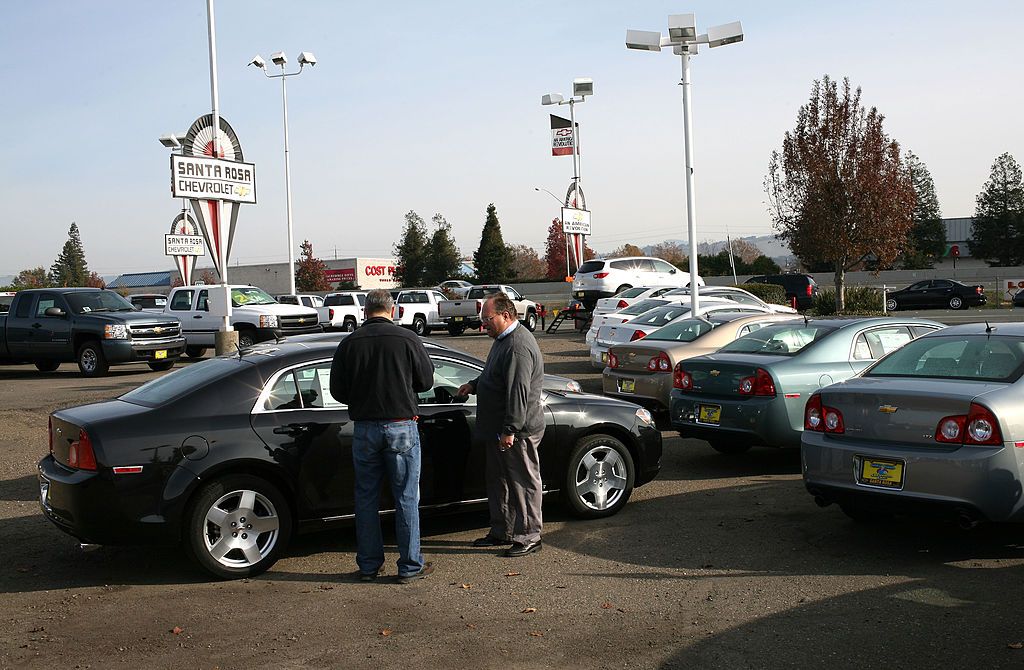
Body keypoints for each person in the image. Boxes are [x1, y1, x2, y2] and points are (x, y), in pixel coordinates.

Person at [330, 289, 435, 583]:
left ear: (365, 311)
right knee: (406, 498)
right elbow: (426, 381)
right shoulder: (408, 339)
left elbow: (338, 390)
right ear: (393, 310)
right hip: (401, 425)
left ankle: (368, 566)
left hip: (364, 428)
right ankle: (410, 566)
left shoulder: (349, 343)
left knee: (365, 498)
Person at [457, 293, 546, 557]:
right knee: (498, 481)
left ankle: (530, 535)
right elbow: (493, 374)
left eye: (487, 319)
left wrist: (510, 430)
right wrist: (474, 384)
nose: (483, 324)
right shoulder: (502, 340)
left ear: (506, 316)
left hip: (517, 431)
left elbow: (518, 392)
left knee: (522, 482)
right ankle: (502, 531)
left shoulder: (517, 346)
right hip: (499, 429)